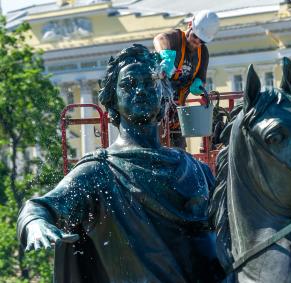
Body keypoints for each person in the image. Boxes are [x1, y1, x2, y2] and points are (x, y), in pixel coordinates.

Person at [17, 44, 223, 283]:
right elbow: (38, 207)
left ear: (164, 94)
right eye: (128, 85)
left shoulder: (197, 170)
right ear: (113, 101)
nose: (141, 90)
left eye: (149, 81)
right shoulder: (100, 171)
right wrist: (35, 224)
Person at [153, 10, 219, 148]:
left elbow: (201, 77)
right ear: (190, 25)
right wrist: (166, 57)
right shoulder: (176, 38)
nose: (197, 42)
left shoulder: (203, 54)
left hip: (177, 112)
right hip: (156, 108)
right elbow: (159, 38)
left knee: (180, 152)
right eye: (195, 36)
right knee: (157, 149)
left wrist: (198, 84)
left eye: (201, 41)